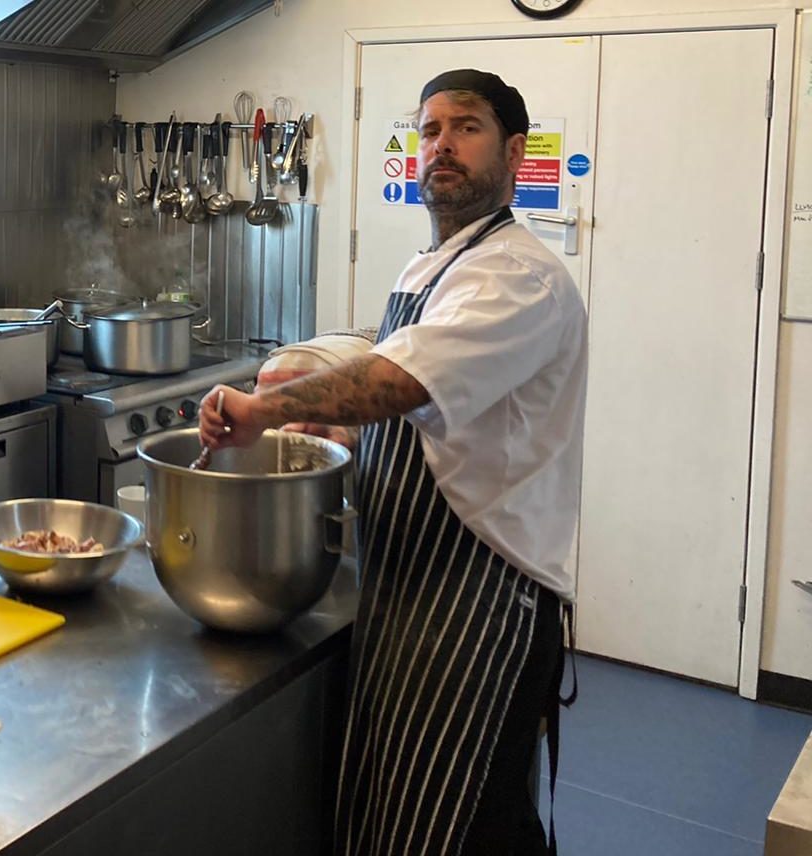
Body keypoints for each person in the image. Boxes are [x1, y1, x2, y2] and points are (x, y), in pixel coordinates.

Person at [200, 69, 585, 855]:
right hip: (410, 585)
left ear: (513, 152)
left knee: (457, 825)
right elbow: (430, 412)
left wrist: (263, 410)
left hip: (481, 601)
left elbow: (400, 380)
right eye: (429, 128)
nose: (441, 145)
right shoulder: (435, 265)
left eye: (465, 128)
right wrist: (333, 433)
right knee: (408, 813)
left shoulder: (518, 275)